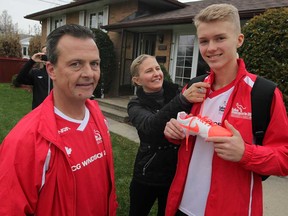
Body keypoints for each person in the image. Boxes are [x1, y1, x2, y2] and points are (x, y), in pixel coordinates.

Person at [163, 4, 288, 216]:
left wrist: (246, 153)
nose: (211, 47)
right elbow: (186, 136)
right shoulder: (194, 87)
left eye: (220, 38)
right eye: (204, 41)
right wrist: (174, 132)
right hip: (182, 205)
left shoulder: (263, 93)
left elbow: (284, 158)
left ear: (239, 40)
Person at [0, 24, 117, 216]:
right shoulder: (25, 141)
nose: (89, 73)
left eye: (94, 63)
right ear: (51, 70)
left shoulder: (96, 114)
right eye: (75, 64)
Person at [127, 54, 209, 216]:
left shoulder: (177, 92)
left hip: (175, 173)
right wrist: (182, 100)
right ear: (137, 80)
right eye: (149, 71)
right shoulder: (135, 104)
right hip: (147, 173)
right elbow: (150, 127)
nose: (156, 73)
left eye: (157, 68)